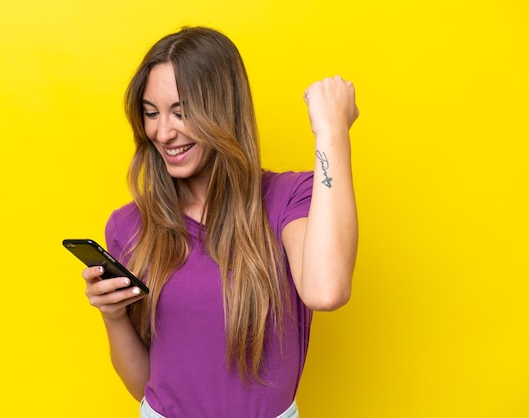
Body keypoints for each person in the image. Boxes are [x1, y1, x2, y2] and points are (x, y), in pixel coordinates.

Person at [81, 26, 359, 417]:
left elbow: (326, 291)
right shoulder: (129, 226)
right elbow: (146, 385)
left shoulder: (288, 199)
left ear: (223, 111)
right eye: (151, 113)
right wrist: (112, 316)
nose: (163, 132)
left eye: (181, 112)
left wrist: (332, 131)